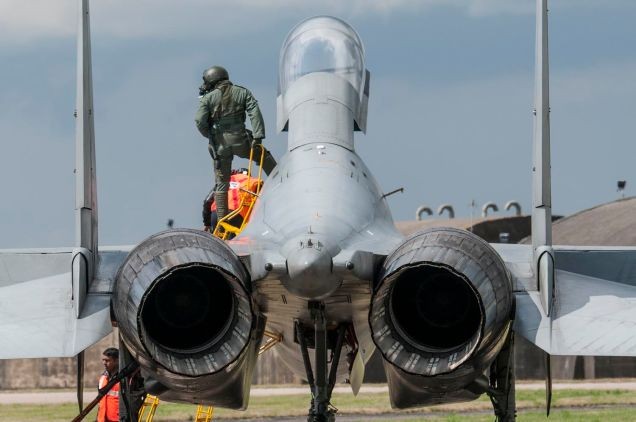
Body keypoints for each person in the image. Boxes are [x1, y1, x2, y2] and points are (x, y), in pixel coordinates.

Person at [195, 65, 277, 221]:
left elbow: (199, 121)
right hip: (242, 141)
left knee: (221, 183)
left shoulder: (208, 98)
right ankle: (281, 182)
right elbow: (254, 112)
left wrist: (210, 136)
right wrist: (258, 137)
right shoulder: (242, 92)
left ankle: (222, 219)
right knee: (264, 158)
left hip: (220, 145)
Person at [97, 347, 120, 422]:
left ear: (116, 361)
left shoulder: (124, 379)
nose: (104, 363)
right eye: (103, 360)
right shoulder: (103, 377)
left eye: (107, 360)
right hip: (102, 419)